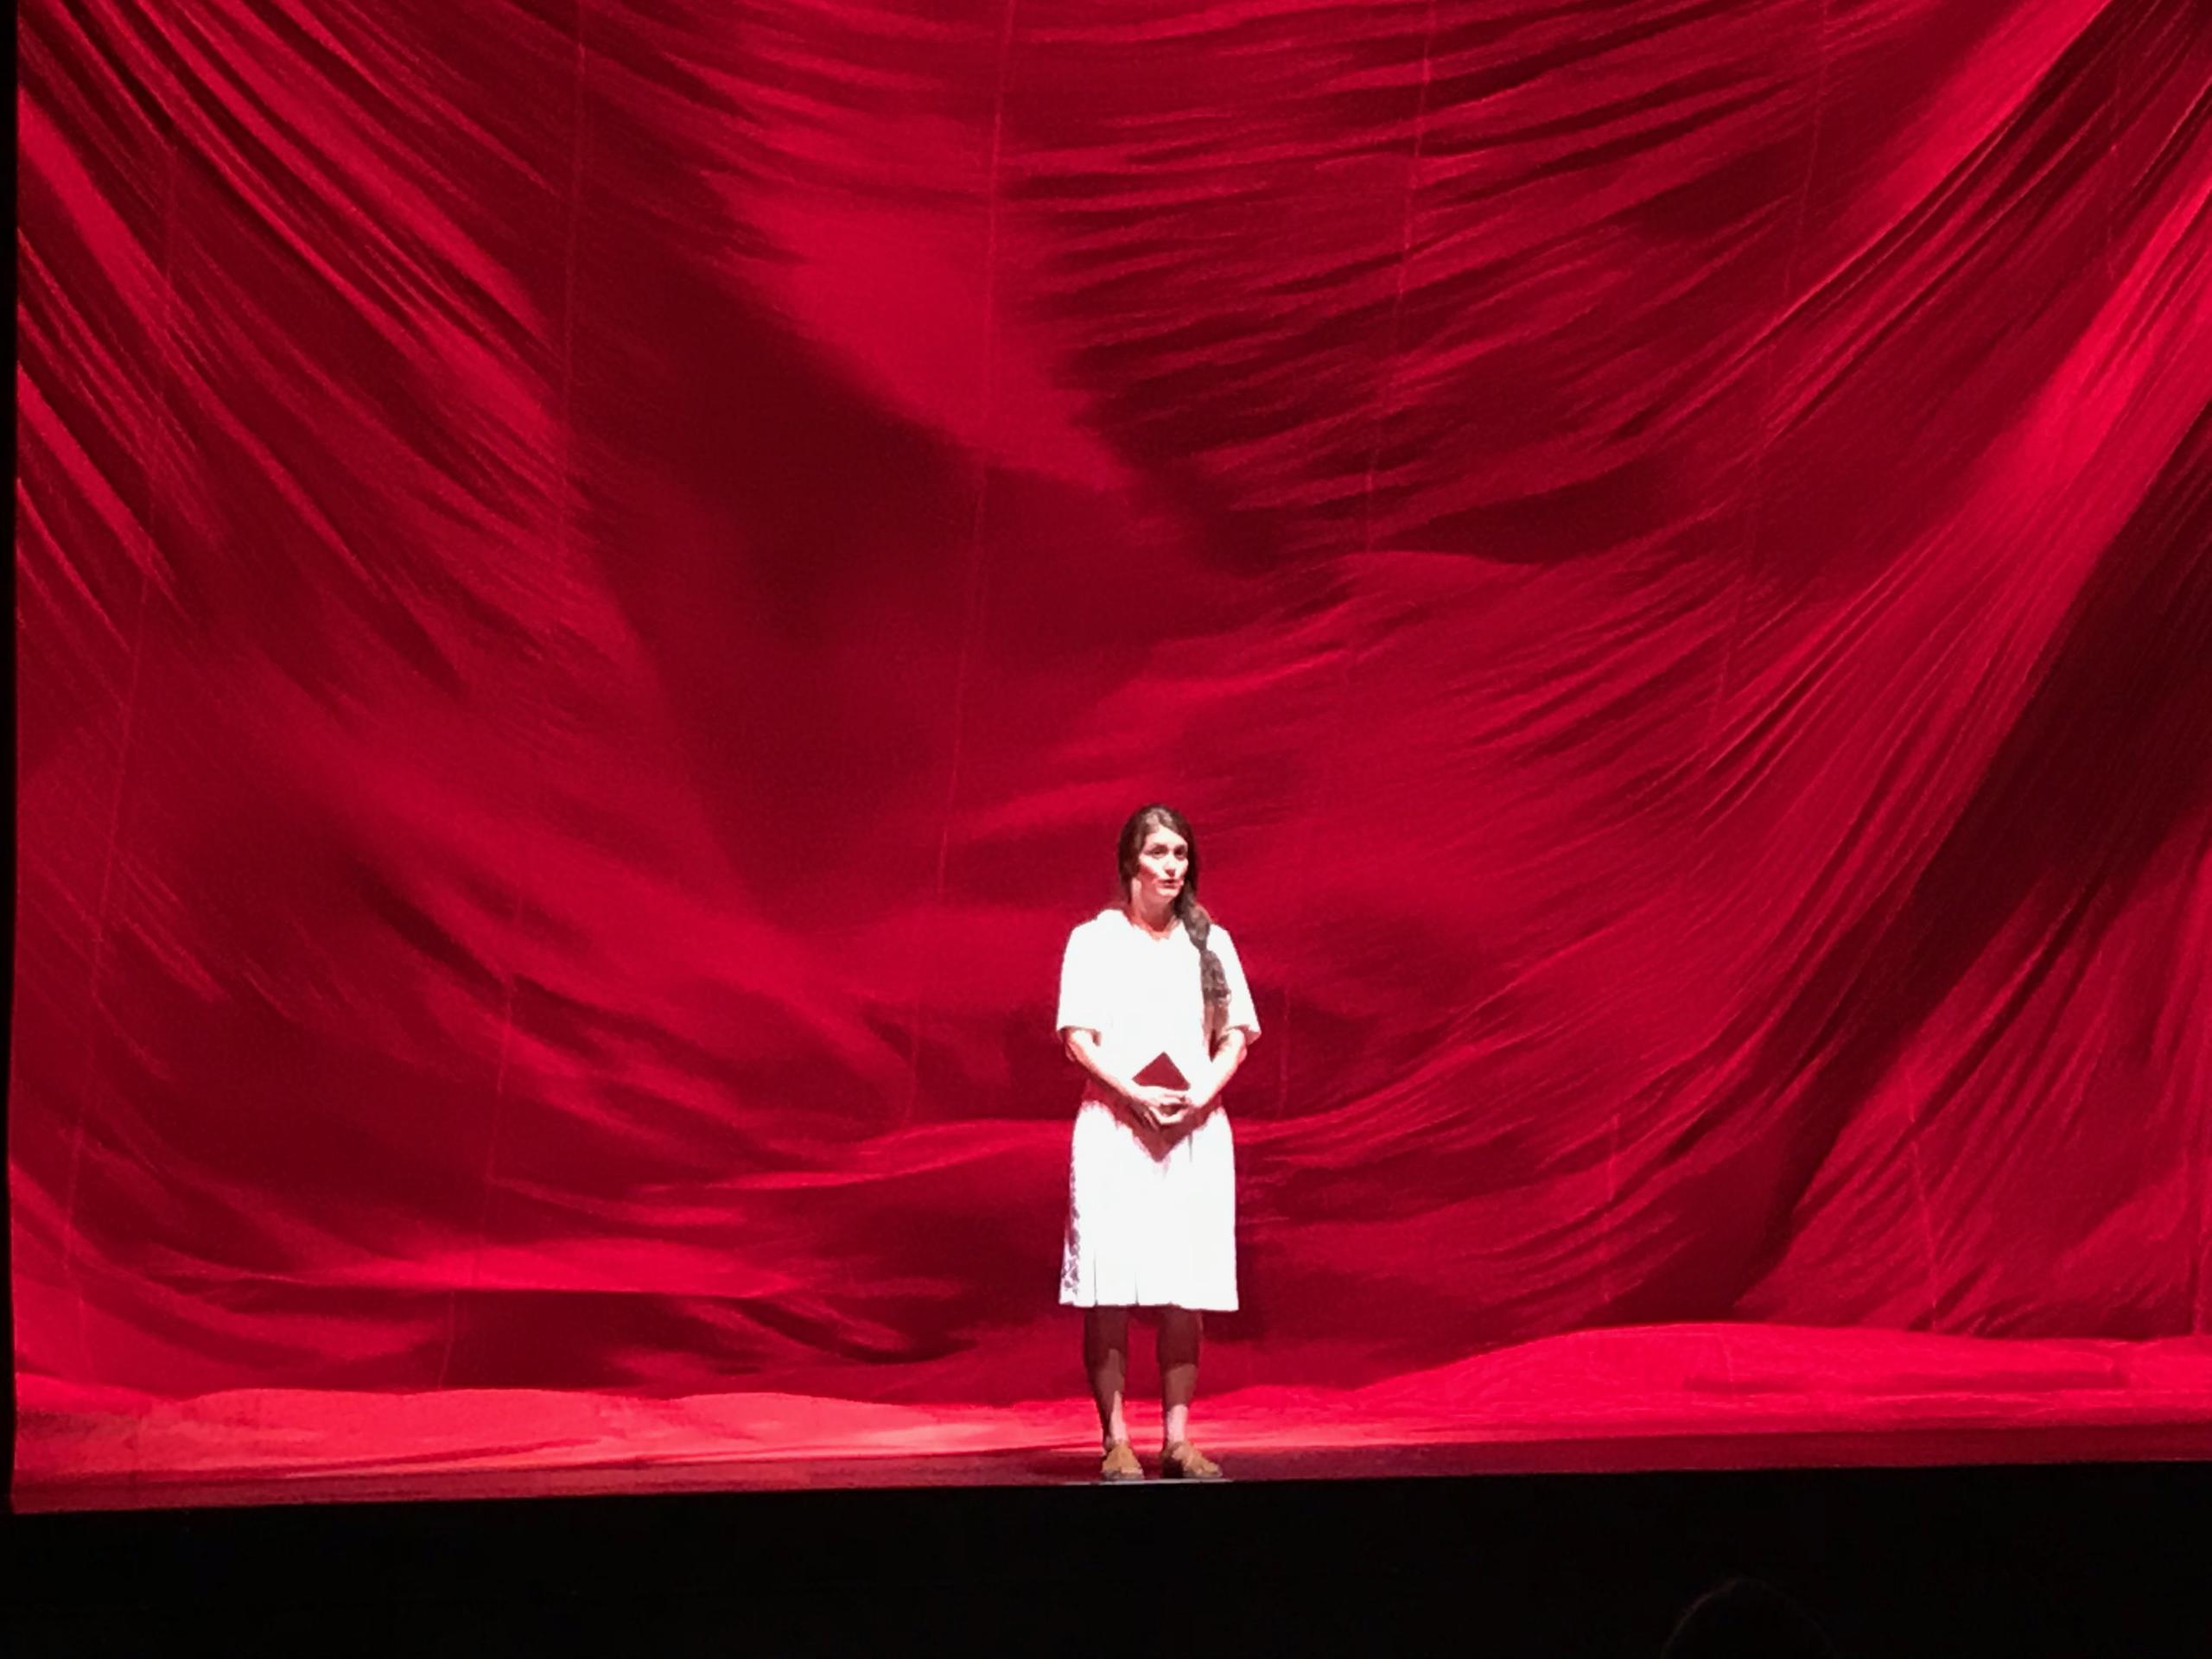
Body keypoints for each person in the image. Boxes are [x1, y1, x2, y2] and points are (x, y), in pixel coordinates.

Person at [1055, 804, 1261, 1481]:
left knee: (1185, 1284)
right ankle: (1116, 1438)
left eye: (1181, 854)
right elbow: (1077, 1038)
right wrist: (1132, 1094)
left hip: (1193, 1129)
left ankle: (1177, 1438)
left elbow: (1236, 1035)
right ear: (1130, 863)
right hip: (1116, 1127)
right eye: (1159, 853)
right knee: (1109, 1286)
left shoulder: (1211, 942)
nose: (1173, 865)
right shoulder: (1094, 940)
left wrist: (1202, 1093)